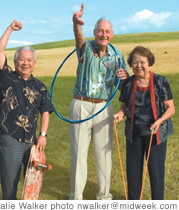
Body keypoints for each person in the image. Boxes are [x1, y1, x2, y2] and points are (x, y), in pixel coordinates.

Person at [69, 3, 130, 200]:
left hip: (104, 106)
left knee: (104, 154)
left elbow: (125, 87)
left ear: (112, 34)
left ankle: (104, 197)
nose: (104, 34)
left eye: (107, 31)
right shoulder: (85, 48)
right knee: (79, 154)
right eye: (100, 31)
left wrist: (124, 78)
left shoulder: (117, 55)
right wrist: (76, 24)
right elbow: (79, 38)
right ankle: (76, 198)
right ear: (94, 32)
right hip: (81, 104)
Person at [0, 19, 53, 200]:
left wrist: (42, 135)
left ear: (34, 62)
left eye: (29, 60)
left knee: (31, 186)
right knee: (9, 184)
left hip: (32, 141)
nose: (25, 63)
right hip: (9, 136)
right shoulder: (7, 77)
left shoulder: (40, 86)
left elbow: (45, 111)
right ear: (15, 61)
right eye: (21, 59)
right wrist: (10, 28)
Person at [113, 46, 175, 200]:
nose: (138, 66)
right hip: (134, 133)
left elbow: (171, 108)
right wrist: (120, 114)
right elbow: (125, 105)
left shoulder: (161, 81)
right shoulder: (128, 83)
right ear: (131, 64)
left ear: (149, 62)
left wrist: (160, 121)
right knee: (133, 173)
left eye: (142, 62)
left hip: (156, 134)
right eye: (134, 63)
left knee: (155, 173)